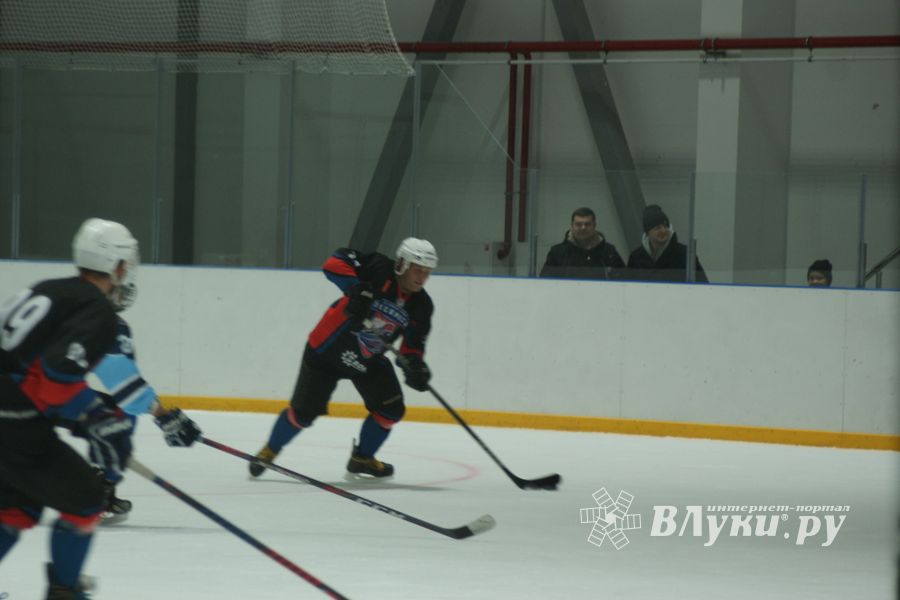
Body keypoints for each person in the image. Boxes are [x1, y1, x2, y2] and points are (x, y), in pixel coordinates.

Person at [0, 218, 138, 598]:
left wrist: (80, 418)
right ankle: (64, 592)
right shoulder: (98, 312)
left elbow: (30, 371)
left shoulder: (49, 289)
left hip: (13, 415)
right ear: (118, 265)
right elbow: (58, 374)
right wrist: (95, 416)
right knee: (87, 500)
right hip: (13, 421)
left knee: (17, 508)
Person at [249, 238, 438, 480]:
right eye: (417, 269)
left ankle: (362, 459)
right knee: (303, 415)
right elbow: (334, 262)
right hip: (326, 350)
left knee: (390, 411)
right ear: (402, 264)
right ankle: (269, 450)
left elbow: (413, 346)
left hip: (367, 361)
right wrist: (356, 288)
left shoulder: (422, 305)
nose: (422, 277)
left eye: (427, 272)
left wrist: (415, 366)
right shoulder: (379, 268)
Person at [89, 311, 203, 525]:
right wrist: (163, 415)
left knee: (111, 411)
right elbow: (124, 387)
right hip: (22, 398)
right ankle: (96, 489)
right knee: (117, 417)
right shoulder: (103, 320)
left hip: (22, 386)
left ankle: (97, 485)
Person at [626, 204, 708, 283]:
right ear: (648, 232)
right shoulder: (636, 258)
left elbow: (703, 285)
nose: (663, 231)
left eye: (665, 226)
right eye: (657, 228)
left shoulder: (684, 254)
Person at [539, 207, 625, 279]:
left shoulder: (609, 252)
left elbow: (625, 281)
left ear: (594, 225)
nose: (583, 228)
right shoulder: (557, 253)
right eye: (578, 224)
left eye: (587, 224)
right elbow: (545, 282)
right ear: (572, 226)